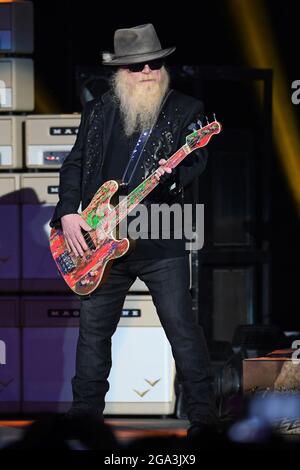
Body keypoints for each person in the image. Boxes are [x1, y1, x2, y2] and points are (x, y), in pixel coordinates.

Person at [50, 23, 219, 439]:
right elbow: (74, 164)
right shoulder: (99, 109)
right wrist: (68, 213)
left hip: (159, 236)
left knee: (181, 326)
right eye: (138, 66)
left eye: (155, 64)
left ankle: (205, 419)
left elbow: (196, 163)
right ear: (121, 72)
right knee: (92, 335)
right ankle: (84, 420)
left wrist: (172, 176)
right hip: (98, 240)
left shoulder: (186, 110)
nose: (148, 71)